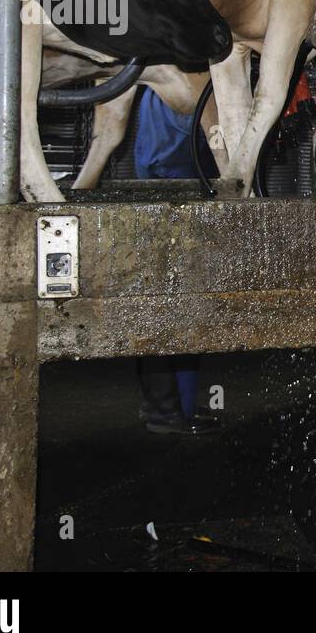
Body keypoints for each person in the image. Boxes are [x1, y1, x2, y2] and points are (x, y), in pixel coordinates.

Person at [131, 86, 221, 436]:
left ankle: (164, 405)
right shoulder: (186, 94)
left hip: (158, 199)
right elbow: (196, 145)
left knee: (159, 307)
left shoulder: (154, 88)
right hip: (177, 200)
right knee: (179, 312)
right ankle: (168, 412)